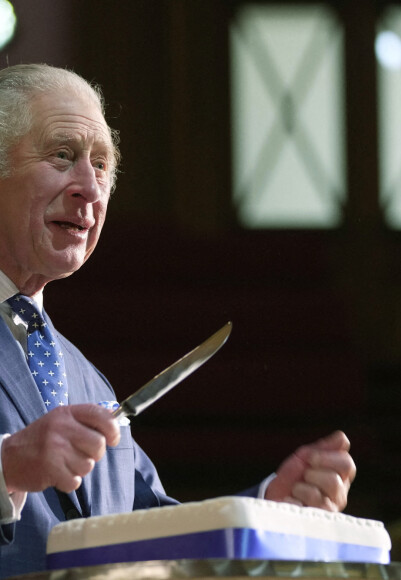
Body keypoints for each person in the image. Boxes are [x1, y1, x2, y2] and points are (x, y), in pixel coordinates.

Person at [0, 64, 356, 578]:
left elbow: (148, 536)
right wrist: (8, 464)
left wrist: (266, 514)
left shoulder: (83, 377)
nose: (89, 190)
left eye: (101, 167)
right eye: (62, 155)